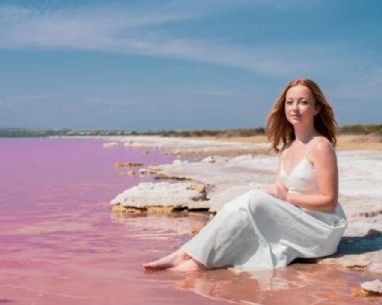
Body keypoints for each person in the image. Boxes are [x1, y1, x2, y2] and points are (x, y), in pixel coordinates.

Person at [143, 78, 347, 272]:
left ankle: (195, 260)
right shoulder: (287, 147)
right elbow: (278, 189)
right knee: (243, 204)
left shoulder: (321, 147)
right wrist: (254, 197)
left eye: (303, 102)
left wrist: (286, 198)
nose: (294, 108)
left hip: (319, 230)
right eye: (289, 102)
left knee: (253, 201)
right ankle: (188, 255)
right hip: (295, 218)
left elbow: (329, 201)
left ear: (316, 108)